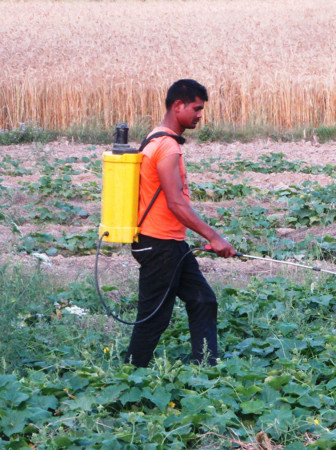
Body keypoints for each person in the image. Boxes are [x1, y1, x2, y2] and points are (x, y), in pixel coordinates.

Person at [125, 79, 236, 367]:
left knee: (203, 299)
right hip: (159, 244)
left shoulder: (154, 139)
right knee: (154, 317)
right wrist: (214, 237)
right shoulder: (167, 147)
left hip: (172, 243)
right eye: (196, 109)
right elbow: (175, 202)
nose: (200, 115)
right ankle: (128, 376)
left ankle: (206, 368)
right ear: (178, 106)